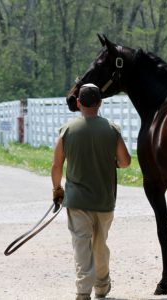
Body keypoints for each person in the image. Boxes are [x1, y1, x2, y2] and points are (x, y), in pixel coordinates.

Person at [51, 83, 131, 300]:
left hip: (77, 201)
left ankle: (83, 291)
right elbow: (125, 162)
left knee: (81, 245)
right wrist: (111, 162)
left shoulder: (67, 130)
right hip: (104, 200)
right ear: (100, 103)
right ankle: (102, 286)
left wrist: (57, 190)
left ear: (78, 103)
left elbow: (57, 165)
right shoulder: (111, 130)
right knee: (99, 245)